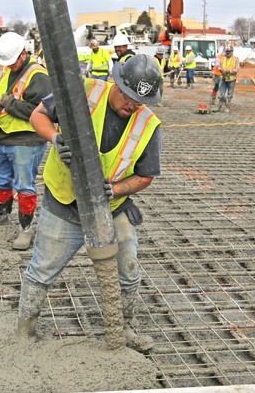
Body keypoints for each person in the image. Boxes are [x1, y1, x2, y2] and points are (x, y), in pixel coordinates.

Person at [18, 54, 163, 352]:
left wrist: (118, 189)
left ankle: (124, 328)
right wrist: (56, 138)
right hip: (64, 202)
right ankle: (25, 331)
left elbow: (146, 176)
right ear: (117, 82)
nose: (132, 105)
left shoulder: (149, 123)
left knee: (129, 271)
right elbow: (38, 116)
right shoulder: (82, 91)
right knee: (42, 269)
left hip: (111, 208)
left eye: (139, 101)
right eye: (128, 96)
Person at [0, 32, 52, 251]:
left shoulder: (38, 76)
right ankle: (0, 217)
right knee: (1, 179)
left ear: (23, 54)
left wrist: (10, 103)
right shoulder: (8, 70)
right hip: (4, 138)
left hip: (26, 141)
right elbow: (2, 102)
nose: (10, 65)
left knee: (24, 185)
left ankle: (26, 229)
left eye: (13, 61)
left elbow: (43, 111)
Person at [216, 45, 239, 111]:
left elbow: (237, 69)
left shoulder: (236, 59)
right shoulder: (223, 58)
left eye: (229, 51)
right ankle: (219, 107)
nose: (228, 53)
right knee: (221, 94)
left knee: (230, 94)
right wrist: (221, 69)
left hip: (231, 79)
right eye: (227, 51)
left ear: (232, 51)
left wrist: (230, 71)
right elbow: (219, 66)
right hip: (223, 78)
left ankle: (228, 107)